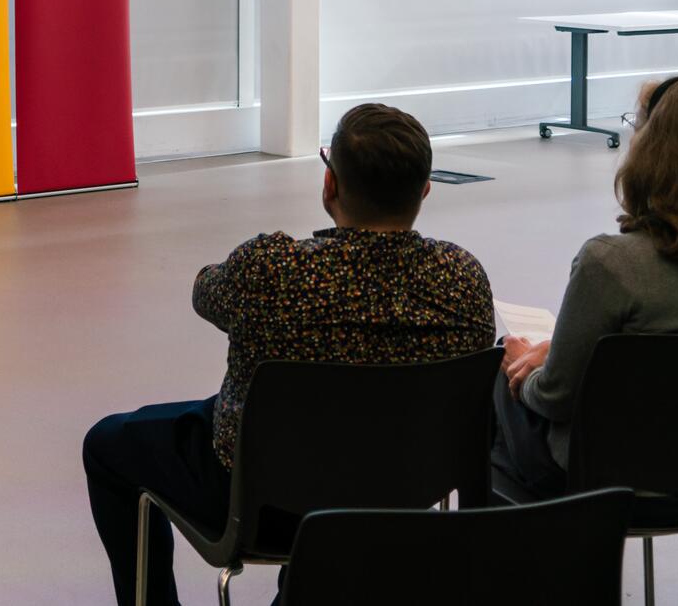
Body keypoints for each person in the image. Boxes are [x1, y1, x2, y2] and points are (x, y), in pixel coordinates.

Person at [82, 103, 495, 606]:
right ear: (425, 191)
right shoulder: (461, 280)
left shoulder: (271, 271)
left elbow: (204, 292)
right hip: (403, 495)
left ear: (330, 187)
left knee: (108, 444)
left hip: (263, 501)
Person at [493, 75, 678, 503]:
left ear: (653, 151)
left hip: (605, 483)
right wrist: (558, 354)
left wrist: (526, 371)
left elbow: (555, 400)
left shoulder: (609, 264)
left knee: (499, 369)